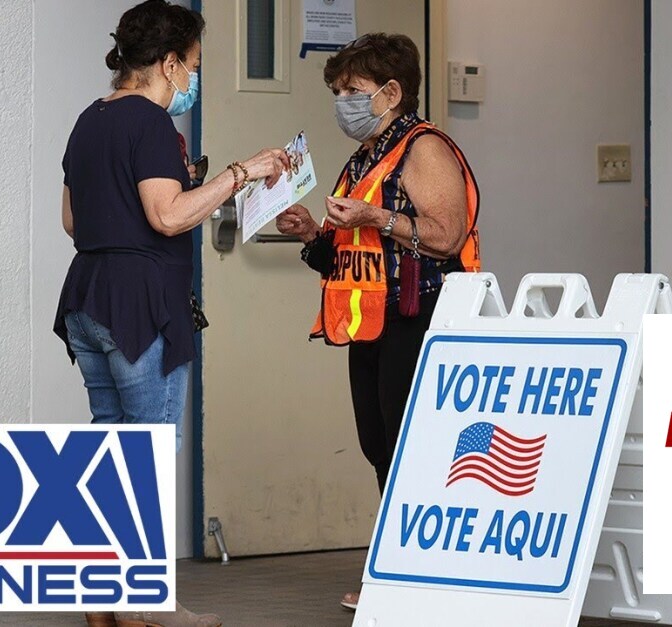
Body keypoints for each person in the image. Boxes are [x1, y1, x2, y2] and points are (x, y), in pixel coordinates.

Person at [54, 2, 288, 626]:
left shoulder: (89, 119)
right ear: (168, 62)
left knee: (109, 451)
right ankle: (145, 605)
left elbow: (72, 220)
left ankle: (100, 601)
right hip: (140, 306)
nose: (193, 77)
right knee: (146, 457)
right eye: (194, 64)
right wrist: (242, 172)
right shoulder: (151, 123)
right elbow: (166, 215)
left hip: (88, 298)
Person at [275, 32, 481, 611]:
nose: (342, 102)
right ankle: (399, 568)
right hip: (370, 324)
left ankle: (411, 575)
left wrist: (375, 215)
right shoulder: (365, 156)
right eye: (338, 92)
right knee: (380, 444)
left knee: (414, 447)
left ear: (391, 92)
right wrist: (311, 234)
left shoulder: (423, 148)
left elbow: (446, 236)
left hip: (420, 317)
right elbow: (346, 253)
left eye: (353, 90)